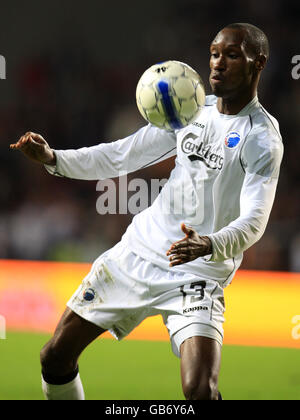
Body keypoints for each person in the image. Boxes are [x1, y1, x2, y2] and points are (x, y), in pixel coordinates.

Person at [10, 22, 283, 401]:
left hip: (197, 273)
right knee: (54, 356)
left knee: (200, 390)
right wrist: (54, 159)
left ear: (259, 63)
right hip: (138, 254)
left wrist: (209, 244)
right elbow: (122, 154)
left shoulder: (261, 138)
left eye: (232, 55)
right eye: (214, 54)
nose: (217, 64)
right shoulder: (191, 111)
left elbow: (254, 220)